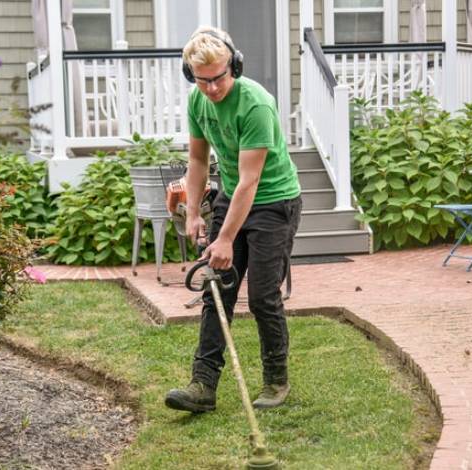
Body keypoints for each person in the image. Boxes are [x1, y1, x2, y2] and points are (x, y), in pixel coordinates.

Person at [164, 26, 302, 413]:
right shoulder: (198, 100)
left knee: (261, 295)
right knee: (216, 290)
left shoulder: (255, 104)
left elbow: (250, 180)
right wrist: (191, 213)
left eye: (219, 78)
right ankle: (202, 386)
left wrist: (224, 239)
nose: (211, 88)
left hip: (274, 201)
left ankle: (276, 381)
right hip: (231, 195)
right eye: (202, 80)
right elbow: (196, 160)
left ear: (234, 66)